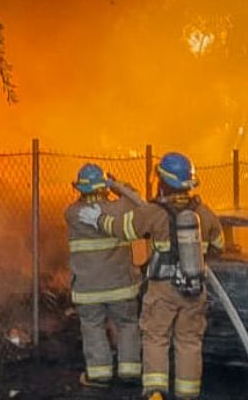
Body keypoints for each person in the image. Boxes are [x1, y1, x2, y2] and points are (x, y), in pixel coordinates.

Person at [79, 153, 223, 400]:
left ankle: (155, 393)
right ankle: (187, 393)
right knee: (189, 341)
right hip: (195, 289)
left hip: (163, 289)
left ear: (163, 182)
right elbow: (219, 245)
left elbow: (123, 229)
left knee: (156, 338)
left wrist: (98, 219)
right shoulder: (205, 213)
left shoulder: (154, 213)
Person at [64, 163, 143, 388]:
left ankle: (99, 374)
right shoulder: (121, 209)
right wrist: (116, 185)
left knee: (92, 326)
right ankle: (130, 369)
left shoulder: (72, 213)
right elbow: (137, 199)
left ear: (80, 189)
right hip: (121, 286)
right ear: (103, 187)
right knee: (127, 323)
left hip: (88, 290)